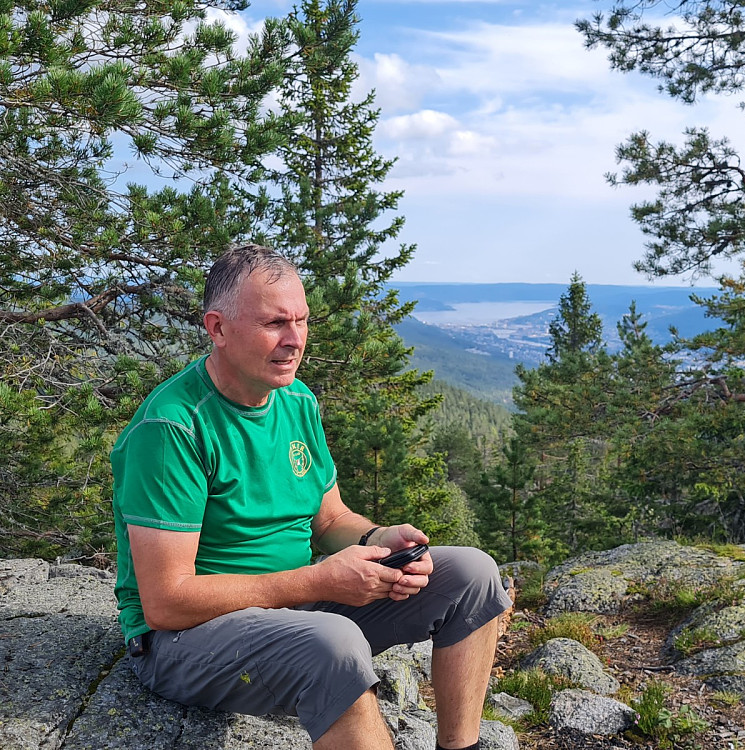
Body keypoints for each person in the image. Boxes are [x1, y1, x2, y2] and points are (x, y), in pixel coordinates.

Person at [110, 244, 512, 750]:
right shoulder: (172, 428)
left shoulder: (295, 400)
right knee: (333, 643)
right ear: (218, 328)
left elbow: (327, 520)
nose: (294, 340)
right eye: (275, 323)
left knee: (473, 574)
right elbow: (167, 602)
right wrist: (318, 581)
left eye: (301, 321)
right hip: (183, 639)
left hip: (292, 608)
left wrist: (381, 538)